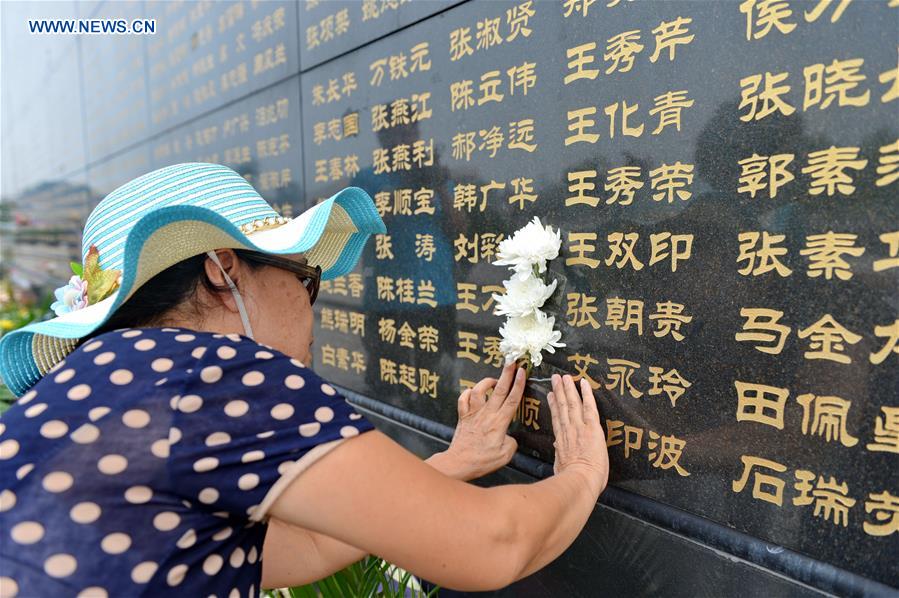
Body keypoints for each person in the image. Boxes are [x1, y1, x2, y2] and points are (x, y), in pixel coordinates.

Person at [0, 162, 609, 596]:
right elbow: (491, 545)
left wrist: (454, 462)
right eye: (305, 278)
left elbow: (305, 548)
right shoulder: (213, 374)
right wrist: (581, 477)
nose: (312, 305)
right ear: (223, 271)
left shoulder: (103, 386)